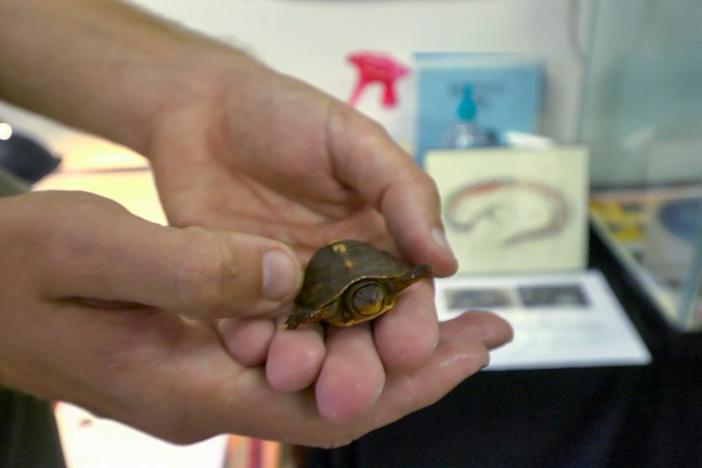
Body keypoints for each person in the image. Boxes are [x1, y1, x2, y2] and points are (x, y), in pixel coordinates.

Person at [0, 0, 512, 455]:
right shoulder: (333, 304)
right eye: (363, 302)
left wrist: (201, 95)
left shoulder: (380, 288)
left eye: (370, 299)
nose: (369, 305)